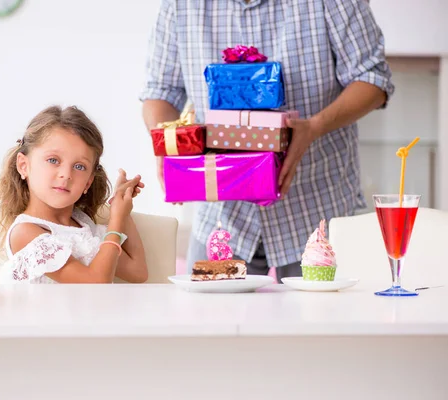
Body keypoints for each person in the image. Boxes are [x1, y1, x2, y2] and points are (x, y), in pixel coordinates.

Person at [140, 0, 394, 280]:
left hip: (318, 210)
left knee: (322, 322)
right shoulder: (180, 5)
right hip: (222, 219)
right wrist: (168, 142)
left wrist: (313, 127)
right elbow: (161, 91)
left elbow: (373, 79)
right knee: (211, 321)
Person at [0, 105, 148, 284]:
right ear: (24, 166)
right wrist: (116, 220)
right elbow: (95, 285)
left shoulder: (83, 225)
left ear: (88, 181)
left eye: (79, 166)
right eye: (53, 160)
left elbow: (138, 272)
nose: (66, 174)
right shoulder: (25, 232)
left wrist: (121, 205)